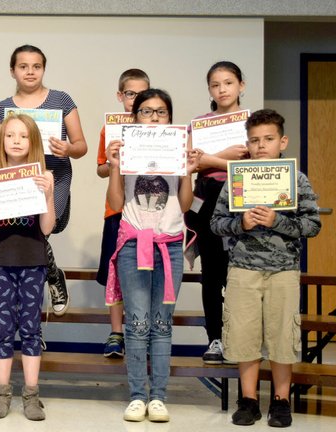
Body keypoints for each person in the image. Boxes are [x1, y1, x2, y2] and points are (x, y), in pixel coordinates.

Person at [210, 109, 321, 428]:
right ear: (248, 143)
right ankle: (248, 400)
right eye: (255, 140)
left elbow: (312, 225)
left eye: (269, 139)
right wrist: (241, 223)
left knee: (282, 336)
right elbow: (216, 224)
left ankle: (281, 400)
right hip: (242, 269)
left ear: (282, 141)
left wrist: (279, 221)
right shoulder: (237, 178)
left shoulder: (296, 179)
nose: (261, 146)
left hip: (284, 270)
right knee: (244, 335)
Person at [105, 89, 201, 422]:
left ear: (170, 118)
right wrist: (116, 166)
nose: (154, 118)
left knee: (161, 324)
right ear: (135, 118)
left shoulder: (177, 149)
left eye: (161, 112)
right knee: (137, 323)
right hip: (134, 244)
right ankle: (136, 396)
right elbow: (117, 204)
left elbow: (186, 205)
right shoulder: (128, 150)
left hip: (170, 244)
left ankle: (158, 397)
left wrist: (187, 169)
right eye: (146, 112)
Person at [0, 44, 87, 317]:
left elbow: (81, 146)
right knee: (24, 228)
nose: (30, 72)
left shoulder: (62, 100)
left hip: (53, 175)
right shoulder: (2, 109)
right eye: (23, 66)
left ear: (44, 69)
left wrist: (68, 148)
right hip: (16, 179)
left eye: (36, 66)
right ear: (12, 71)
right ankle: (53, 275)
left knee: (45, 226)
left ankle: (46, 282)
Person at [0, 113, 55, 421]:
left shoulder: (43, 175)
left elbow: (47, 228)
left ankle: (31, 394)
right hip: (1, 263)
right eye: (10, 135)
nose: (16, 140)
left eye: (22, 136)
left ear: (32, 142)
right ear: (2, 141)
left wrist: (48, 194)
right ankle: (2, 393)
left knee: (31, 330)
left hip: (33, 262)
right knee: (4, 331)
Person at [186, 61, 251, 365]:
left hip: (245, 198)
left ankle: (245, 338)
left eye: (228, 82)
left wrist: (209, 159)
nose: (222, 89)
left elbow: (251, 163)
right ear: (209, 89)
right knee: (211, 273)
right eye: (215, 84)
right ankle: (215, 338)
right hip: (208, 198)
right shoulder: (198, 124)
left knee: (243, 273)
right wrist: (224, 157)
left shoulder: (252, 123)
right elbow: (192, 164)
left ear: (241, 85)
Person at [96, 68, 150, 358]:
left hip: (149, 212)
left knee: (144, 274)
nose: (135, 99)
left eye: (142, 94)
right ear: (120, 96)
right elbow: (101, 168)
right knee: (115, 273)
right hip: (116, 211)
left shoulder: (157, 128)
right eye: (130, 93)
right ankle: (116, 332)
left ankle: (140, 331)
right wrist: (115, 160)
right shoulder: (110, 129)